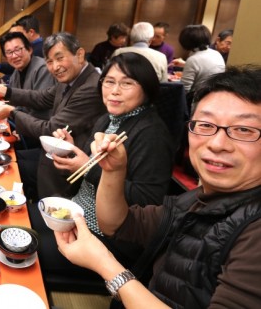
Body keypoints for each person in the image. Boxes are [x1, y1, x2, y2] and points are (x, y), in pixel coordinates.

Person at [55, 66, 261, 308]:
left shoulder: (253, 231)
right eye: (205, 125)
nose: (217, 143)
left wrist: (104, 264)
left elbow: (141, 199)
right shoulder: (198, 200)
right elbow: (117, 224)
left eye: (244, 130)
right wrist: (113, 170)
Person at [32, 53, 174, 284]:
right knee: (17, 220)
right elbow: (85, 176)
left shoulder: (152, 134)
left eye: (127, 83)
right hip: (76, 214)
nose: (114, 90)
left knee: (23, 247)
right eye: (109, 81)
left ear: (146, 88)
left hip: (108, 238)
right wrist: (70, 152)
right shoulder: (107, 120)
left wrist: (88, 167)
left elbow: (148, 200)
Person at [0, 32, 106, 200]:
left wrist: (12, 112)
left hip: (64, 169)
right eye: (50, 61)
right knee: (1, 159)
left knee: (3, 167)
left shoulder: (89, 87)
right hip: (49, 151)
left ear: (80, 54)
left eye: (60, 58)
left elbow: (51, 129)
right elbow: (41, 97)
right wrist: (7, 91)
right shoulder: (70, 78)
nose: (55, 67)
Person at [0, 30, 54, 121]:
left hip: (40, 129)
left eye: (18, 50)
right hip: (23, 124)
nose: (14, 56)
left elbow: (42, 109)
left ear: (29, 49)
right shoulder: (17, 72)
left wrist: (13, 111)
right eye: (9, 52)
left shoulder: (43, 69)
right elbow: (14, 103)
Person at [178, 24, 225, 94]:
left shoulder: (193, 59)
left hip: (198, 99)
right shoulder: (216, 54)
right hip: (215, 95)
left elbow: (184, 89)